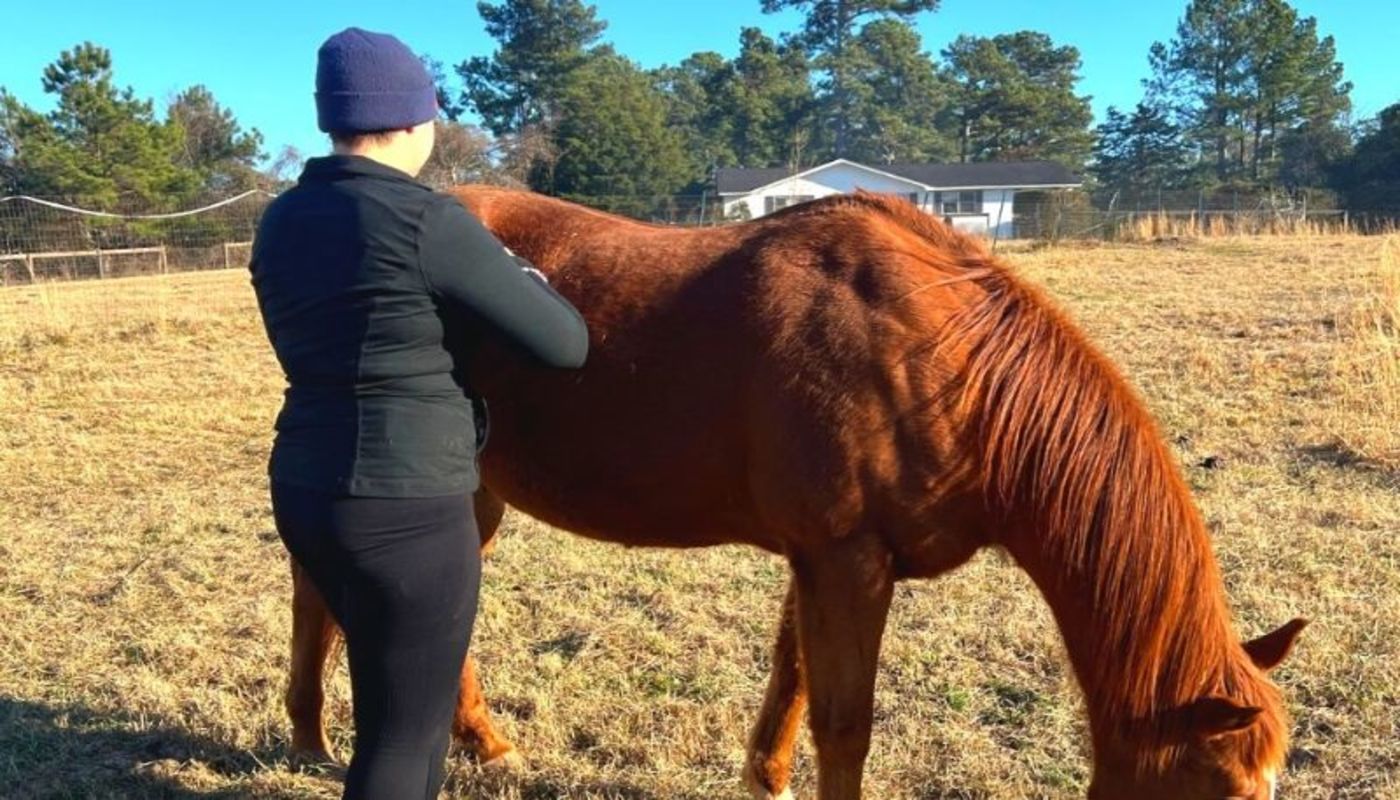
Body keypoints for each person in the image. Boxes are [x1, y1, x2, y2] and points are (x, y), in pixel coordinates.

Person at [249, 27, 589, 800]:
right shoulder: (428, 223)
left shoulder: (281, 218)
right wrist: (516, 269)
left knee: (384, 688)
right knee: (406, 741)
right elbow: (564, 341)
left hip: (304, 484)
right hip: (406, 506)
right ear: (414, 121)